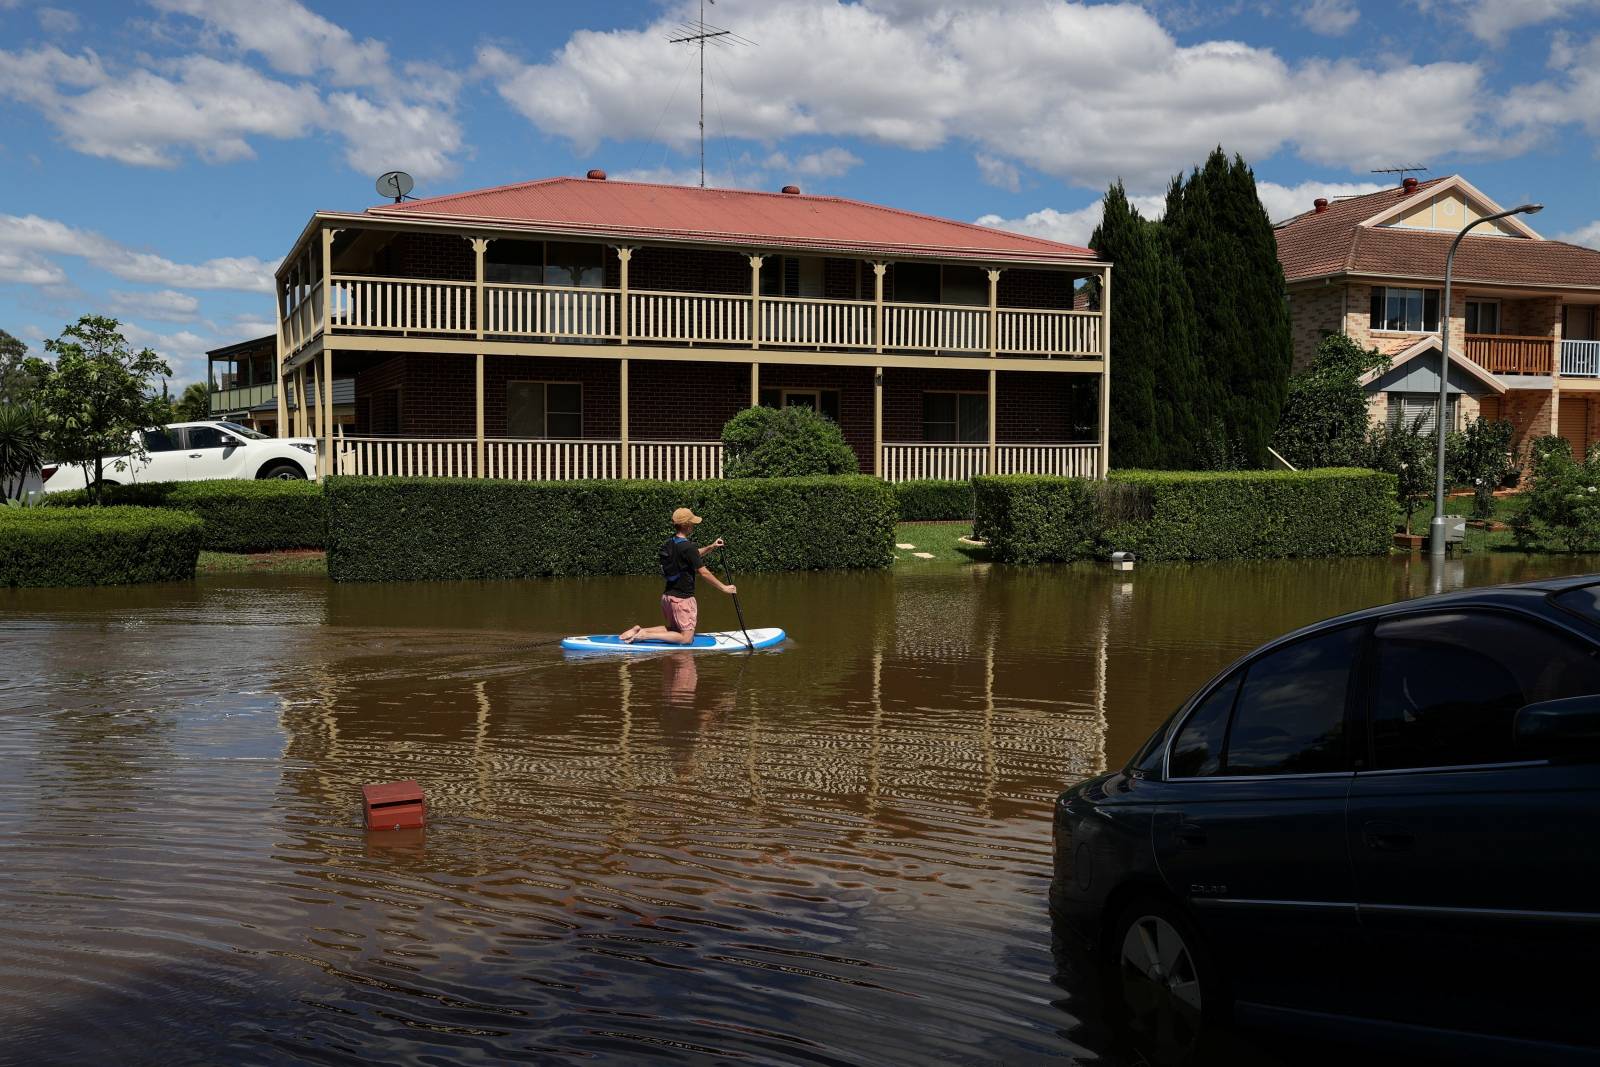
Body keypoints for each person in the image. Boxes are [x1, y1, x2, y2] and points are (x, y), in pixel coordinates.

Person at [619, 507, 737, 644]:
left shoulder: (670, 543)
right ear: (686, 525)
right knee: (686, 639)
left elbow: (692, 555)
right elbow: (704, 572)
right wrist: (724, 588)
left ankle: (638, 630)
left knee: (673, 629)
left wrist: (711, 547)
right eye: (692, 522)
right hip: (682, 600)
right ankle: (644, 635)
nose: (694, 525)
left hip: (668, 598)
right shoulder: (688, 547)